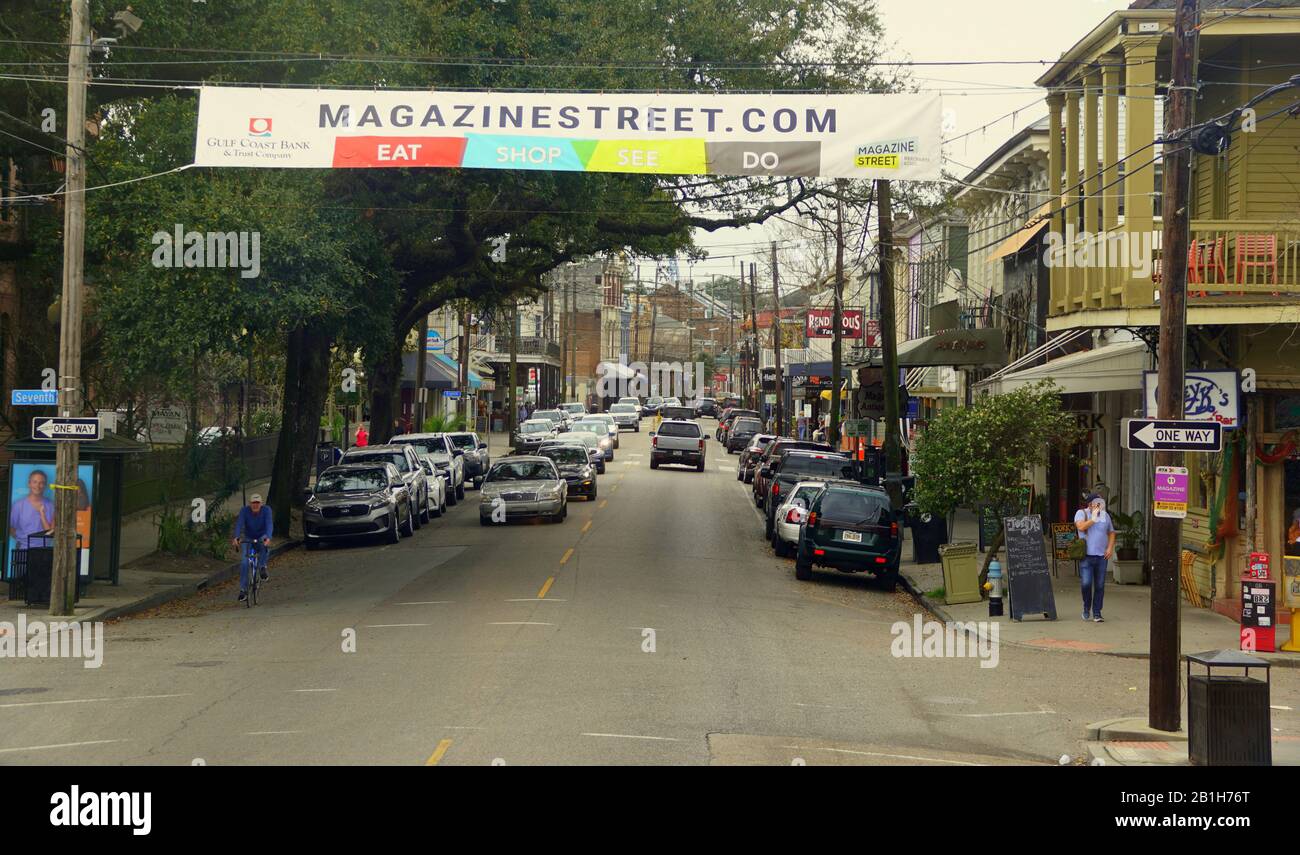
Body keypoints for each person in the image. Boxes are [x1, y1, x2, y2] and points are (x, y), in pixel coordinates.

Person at [1074, 492, 1115, 622]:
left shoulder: (1106, 516)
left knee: (1100, 585)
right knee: (1086, 584)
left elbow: (1112, 533)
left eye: (1101, 502)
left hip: (1101, 556)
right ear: (1090, 504)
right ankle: (1087, 607)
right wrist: (1093, 518)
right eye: (1097, 503)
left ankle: (1097, 613)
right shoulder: (1081, 513)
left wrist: (1109, 548)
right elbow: (1080, 526)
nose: (1100, 505)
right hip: (1086, 556)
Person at [232, 493, 273, 602]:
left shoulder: (266, 510)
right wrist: (236, 537)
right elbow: (239, 524)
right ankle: (243, 590)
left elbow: (269, 524)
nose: (255, 505)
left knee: (264, 544)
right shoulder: (244, 511)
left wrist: (268, 537)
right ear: (250, 504)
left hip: (261, 536)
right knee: (245, 562)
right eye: (253, 503)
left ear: (261, 503)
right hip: (248, 538)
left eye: (257, 503)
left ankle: (262, 567)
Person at [8, 468, 55, 549]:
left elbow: (51, 532)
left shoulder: (51, 506)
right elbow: (11, 528)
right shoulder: (18, 505)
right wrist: (23, 540)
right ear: (29, 484)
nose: (37, 486)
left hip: (45, 551)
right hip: (24, 550)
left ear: (45, 485)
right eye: (35, 482)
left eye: (41, 483)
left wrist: (42, 515)